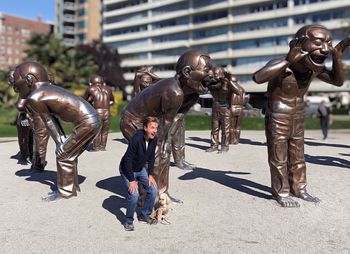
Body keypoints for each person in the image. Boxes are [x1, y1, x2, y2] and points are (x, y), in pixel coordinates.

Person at [253, 24, 350, 207]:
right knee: (279, 157)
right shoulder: (281, 64)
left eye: (329, 44)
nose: (325, 49)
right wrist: (289, 61)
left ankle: (300, 189)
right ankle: (281, 192)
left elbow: (338, 81)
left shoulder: (313, 69)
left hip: (297, 116)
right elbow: (258, 77)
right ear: (299, 44)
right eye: (319, 42)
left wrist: (337, 57)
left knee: (298, 157)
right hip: (278, 116)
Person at [120, 50, 213, 195]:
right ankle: (147, 197)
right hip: (133, 121)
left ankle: (162, 193)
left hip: (151, 122)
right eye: (207, 70)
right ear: (187, 72)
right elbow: (164, 127)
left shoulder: (193, 94)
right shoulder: (174, 91)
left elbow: (178, 118)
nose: (211, 74)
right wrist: (161, 144)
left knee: (164, 152)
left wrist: (167, 143)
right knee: (154, 153)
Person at [12, 61, 101, 201]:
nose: (16, 87)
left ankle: (65, 192)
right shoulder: (48, 88)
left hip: (87, 122)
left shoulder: (36, 96)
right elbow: (53, 121)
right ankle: (73, 187)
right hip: (92, 119)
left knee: (64, 154)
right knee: (68, 152)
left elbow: (48, 122)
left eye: (17, 84)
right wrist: (61, 141)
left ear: (29, 79)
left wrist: (61, 144)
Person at [119, 116, 159, 231]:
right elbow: (127, 160)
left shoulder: (154, 139)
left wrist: (150, 175)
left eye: (156, 128)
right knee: (134, 195)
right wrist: (132, 180)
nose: (155, 131)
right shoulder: (136, 139)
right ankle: (128, 221)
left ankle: (144, 215)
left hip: (140, 169)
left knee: (153, 189)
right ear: (145, 128)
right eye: (152, 128)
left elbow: (151, 158)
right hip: (127, 170)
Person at [206, 67, 243, 153]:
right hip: (215, 108)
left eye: (216, 74)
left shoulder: (227, 83)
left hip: (225, 109)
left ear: (220, 74)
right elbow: (204, 89)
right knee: (214, 129)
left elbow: (239, 92)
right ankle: (214, 146)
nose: (214, 76)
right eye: (214, 74)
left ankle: (224, 147)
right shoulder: (212, 84)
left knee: (225, 130)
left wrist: (228, 81)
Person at [83, 75, 114, 151]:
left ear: (91, 82)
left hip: (97, 112)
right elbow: (112, 101)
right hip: (107, 112)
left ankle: (96, 147)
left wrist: (91, 103)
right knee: (105, 131)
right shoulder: (108, 89)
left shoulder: (90, 89)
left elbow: (83, 101)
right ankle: (102, 147)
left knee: (97, 131)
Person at [229, 75, 246, 145]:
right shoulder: (242, 89)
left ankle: (231, 140)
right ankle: (237, 140)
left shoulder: (230, 89)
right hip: (241, 108)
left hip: (232, 107)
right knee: (238, 126)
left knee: (231, 126)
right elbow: (244, 100)